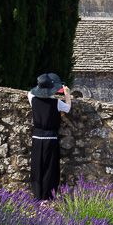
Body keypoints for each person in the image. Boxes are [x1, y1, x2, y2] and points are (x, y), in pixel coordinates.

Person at [28, 73, 72, 201]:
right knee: (49, 168)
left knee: (37, 167)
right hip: (50, 138)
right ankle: (46, 197)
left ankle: (37, 196)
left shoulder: (33, 99)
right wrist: (67, 93)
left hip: (37, 137)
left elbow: (31, 92)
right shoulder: (57, 103)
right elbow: (68, 108)